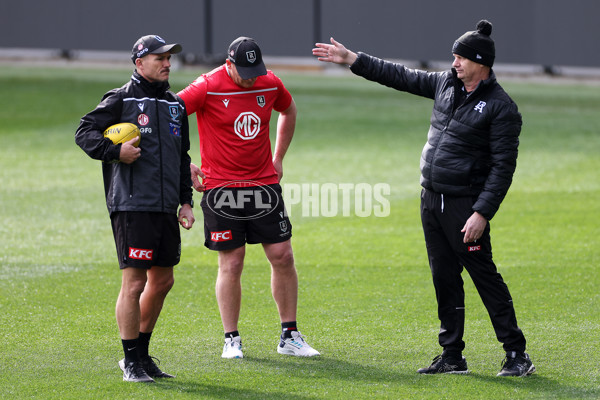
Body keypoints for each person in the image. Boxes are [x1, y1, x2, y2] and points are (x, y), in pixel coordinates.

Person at [313, 20, 534, 377]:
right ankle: (452, 355)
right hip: (431, 200)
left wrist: (482, 213)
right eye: (454, 56)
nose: (455, 62)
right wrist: (352, 59)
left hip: (465, 207)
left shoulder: (501, 107)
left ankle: (516, 354)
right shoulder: (447, 83)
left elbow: (503, 168)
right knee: (443, 277)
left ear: (482, 62)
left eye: (462, 57)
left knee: (484, 278)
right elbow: (399, 75)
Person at [178, 36, 319, 359]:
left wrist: (279, 157)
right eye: (244, 71)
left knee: (283, 255)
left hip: (263, 183)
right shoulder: (206, 86)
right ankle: (232, 339)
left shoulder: (268, 83)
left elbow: (288, 110)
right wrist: (184, 162)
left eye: (256, 70)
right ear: (228, 65)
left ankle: (290, 335)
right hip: (220, 187)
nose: (252, 77)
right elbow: (171, 117)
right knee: (233, 261)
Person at [75, 34, 195, 382]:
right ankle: (130, 361)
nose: (167, 63)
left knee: (163, 280)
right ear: (139, 63)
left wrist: (186, 201)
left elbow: (182, 156)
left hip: (165, 206)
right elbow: (85, 132)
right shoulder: (121, 99)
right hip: (131, 204)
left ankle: (142, 355)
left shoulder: (175, 105)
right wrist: (116, 153)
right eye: (159, 58)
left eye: (169, 58)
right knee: (135, 282)